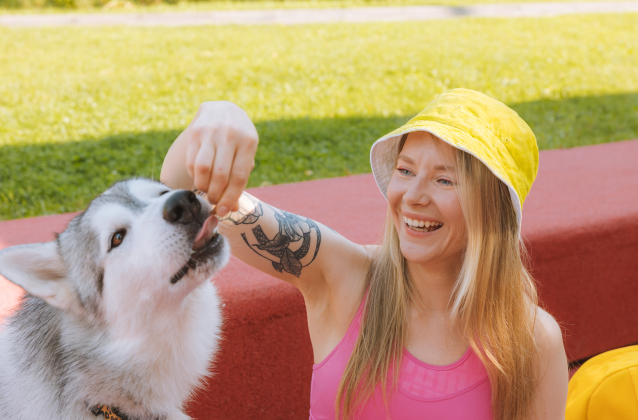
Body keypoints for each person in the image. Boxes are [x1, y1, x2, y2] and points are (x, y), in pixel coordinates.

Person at [160, 88, 568, 420]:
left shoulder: (531, 340)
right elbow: (189, 192)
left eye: (444, 179)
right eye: (405, 171)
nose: (412, 196)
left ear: (493, 210)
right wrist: (216, 116)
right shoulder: (342, 275)